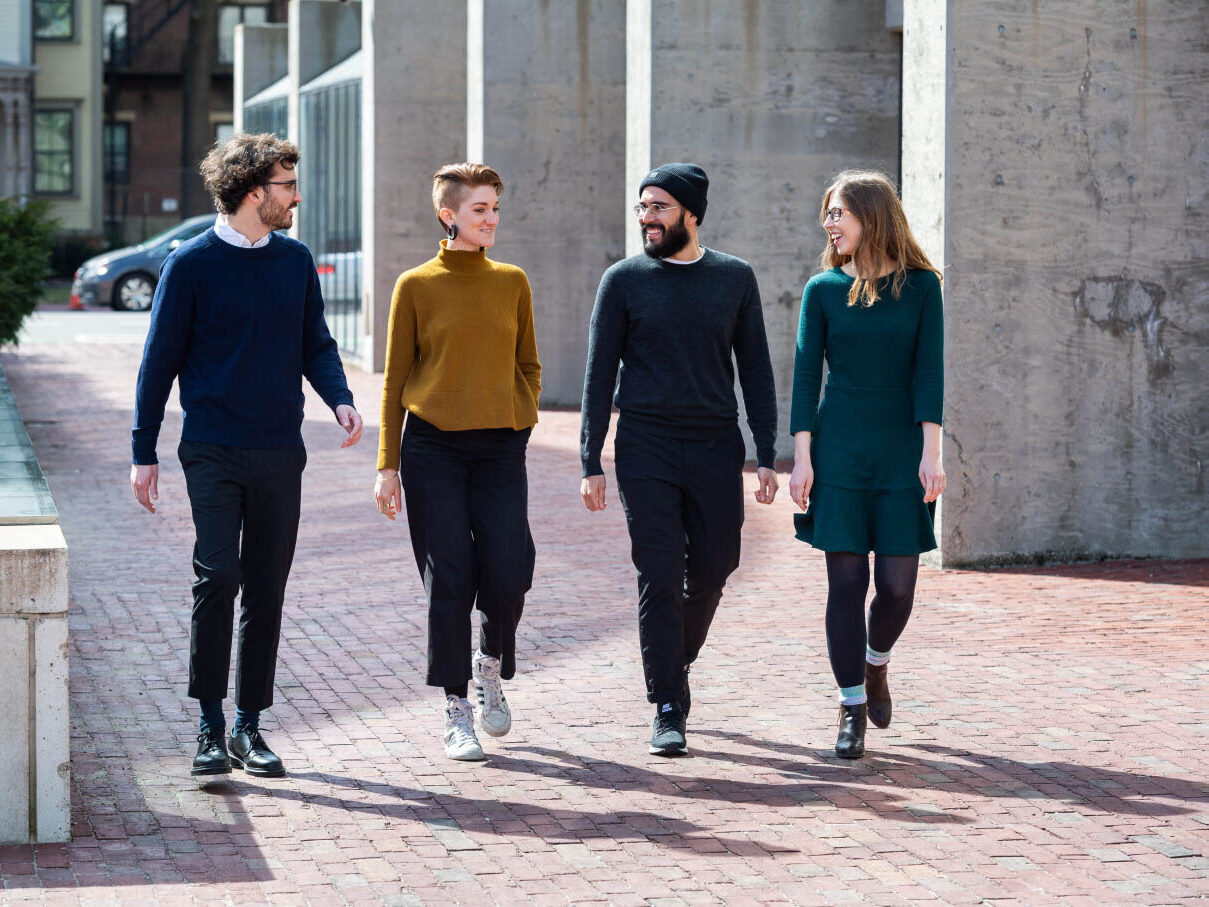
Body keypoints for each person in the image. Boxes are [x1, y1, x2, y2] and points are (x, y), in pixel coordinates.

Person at [130, 132, 363, 779]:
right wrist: (142, 448)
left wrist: (338, 396)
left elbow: (314, 342)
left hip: (279, 450)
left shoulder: (294, 261)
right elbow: (159, 362)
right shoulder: (191, 263)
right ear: (255, 192)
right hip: (210, 447)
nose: (296, 196)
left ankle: (248, 726)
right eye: (287, 185)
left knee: (265, 586)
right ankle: (208, 723)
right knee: (219, 577)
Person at [580, 162, 779, 757]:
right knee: (660, 571)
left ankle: (675, 658)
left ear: (691, 213)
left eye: (660, 208)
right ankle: (668, 702)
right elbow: (597, 375)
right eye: (643, 208)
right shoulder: (623, 280)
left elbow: (757, 370)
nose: (647, 218)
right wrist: (590, 458)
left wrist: (767, 452)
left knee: (716, 566)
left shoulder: (734, 279)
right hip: (645, 444)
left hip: (717, 444)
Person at [374, 163, 541, 762]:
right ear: (449, 214)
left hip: (500, 446)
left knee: (509, 570)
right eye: (479, 209)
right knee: (449, 578)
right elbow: (395, 380)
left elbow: (529, 362)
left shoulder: (512, 281)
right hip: (432, 447)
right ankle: (456, 707)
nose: (491, 219)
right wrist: (387, 464)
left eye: (495, 207)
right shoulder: (416, 285)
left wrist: (521, 414)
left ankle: (489, 664)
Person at [788, 170, 945, 759]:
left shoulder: (923, 287)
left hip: (902, 450)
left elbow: (930, 373)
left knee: (898, 589)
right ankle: (850, 705)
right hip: (839, 451)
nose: (829, 223)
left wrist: (932, 452)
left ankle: (876, 663)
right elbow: (806, 378)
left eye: (839, 213)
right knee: (846, 583)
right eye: (827, 213)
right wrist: (802, 458)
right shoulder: (822, 289)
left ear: (872, 216)